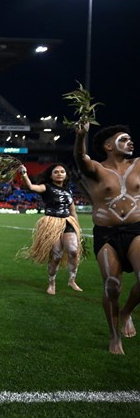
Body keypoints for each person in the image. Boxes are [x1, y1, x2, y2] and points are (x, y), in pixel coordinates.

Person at [74, 122, 138, 354]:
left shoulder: (139, 164)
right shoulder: (96, 169)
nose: (131, 141)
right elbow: (80, 157)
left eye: (131, 138)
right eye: (124, 138)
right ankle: (114, 335)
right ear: (108, 145)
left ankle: (127, 311)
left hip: (136, 230)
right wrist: (81, 136)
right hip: (107, 234)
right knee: (112, 286)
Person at [17, 164, 84, 294]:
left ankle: (72, 280)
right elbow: (31, 187)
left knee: (73, 251)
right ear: (51, 175)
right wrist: (24, 173)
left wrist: (77, 227)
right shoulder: (46, 187)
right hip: (52, 223)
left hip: (68, 222)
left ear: (66, 175)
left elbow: (73, 211)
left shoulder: (68, 191)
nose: (59, 173)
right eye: (56, 172)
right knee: (57, 255)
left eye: (62, 171)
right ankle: (51, 283)